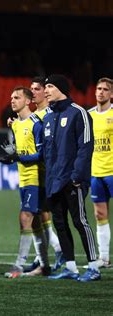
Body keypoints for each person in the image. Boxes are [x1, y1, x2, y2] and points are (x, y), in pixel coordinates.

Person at [43, 74, 100, 282]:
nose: (45, 90)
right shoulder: (48, 117)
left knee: (80, 221)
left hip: (72, 179)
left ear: (61, 88)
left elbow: (86, 147)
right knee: (60, 223)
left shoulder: (79, 113)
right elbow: (46, 152)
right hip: (53, 181)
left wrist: (77, 176)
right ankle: (70, 267)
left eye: (49, 86)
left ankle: (94, 267)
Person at [0, 86, 50, 278]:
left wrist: (17, 157)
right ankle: (45, 265)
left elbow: (41, 153)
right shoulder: (16, 125)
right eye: (11, 97)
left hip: (36, 179)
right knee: (36, 222)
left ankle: (19, 266)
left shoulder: (36, 123)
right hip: (23, 179)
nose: (12, 100)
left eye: (17, 97)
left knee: (25, 219)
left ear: (28, 101)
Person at [23, 76, 64, 273]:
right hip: (34, 173)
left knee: (39, 215)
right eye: (31, 89)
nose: (33, 92)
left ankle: (55, 252)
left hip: (47, 173)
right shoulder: (33, 115)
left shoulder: (51, 114)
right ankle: (45, 257)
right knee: (40, 215)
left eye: (37, 89)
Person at [86, 77, 113, 269]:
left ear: (111, 94)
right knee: (100, 214)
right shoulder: (88, 116)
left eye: (105, 89)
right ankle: (104, 258)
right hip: (95, 173)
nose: (101, 92)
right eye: (98, 88)